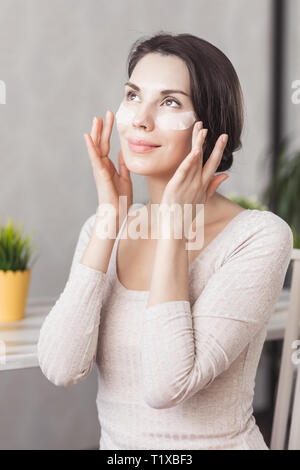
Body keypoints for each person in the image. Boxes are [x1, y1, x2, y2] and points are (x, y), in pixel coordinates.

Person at [37, 32, 293, 450]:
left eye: (170, 102)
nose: (140, 118)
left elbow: (166, 386)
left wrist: (174, 227)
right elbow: (61, 366)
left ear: (210, 128)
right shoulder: (108, 229)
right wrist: (108, 221)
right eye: (133, 95)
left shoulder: (259, 237)